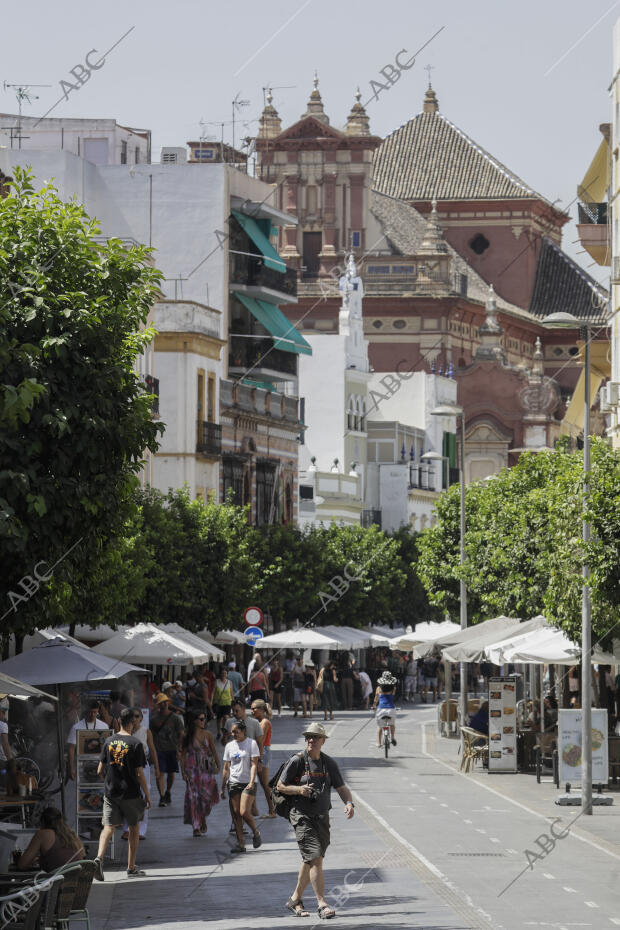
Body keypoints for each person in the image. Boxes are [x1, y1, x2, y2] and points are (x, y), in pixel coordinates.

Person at [277, 722, 354, 920]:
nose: (310, 740)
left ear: (323, 741)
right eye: (308, 737)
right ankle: (322, 903)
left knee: (310, 859)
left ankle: (295, 899)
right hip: (301, 815)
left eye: (315, 737)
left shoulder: (329, 763)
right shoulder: (297, 761)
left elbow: (341, 787)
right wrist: (298, 790)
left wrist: (349, 803)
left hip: (322, 817)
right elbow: (280, 785)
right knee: (316, 858)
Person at [95, 707, 152, 880]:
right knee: (134, 828)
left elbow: (99, 770)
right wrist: (147, 795)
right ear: (132, 723)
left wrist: (110, 780)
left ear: (119, 721)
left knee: (108, 827)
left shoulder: (109, 741)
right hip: (131, 793)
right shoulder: (135, 744)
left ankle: (98, 858)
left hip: (111, 792)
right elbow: (140, 773)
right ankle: (131, 867)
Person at [221, 719, 261, 853]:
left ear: (243, 731)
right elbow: (226, 767)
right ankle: (240, 843)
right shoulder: (229, 746)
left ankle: (255, 832)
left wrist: (251, 781)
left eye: (236, 732)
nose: (234, 734)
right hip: (233, 782)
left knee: (244, 812)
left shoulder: (252, 744)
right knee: (236, 814)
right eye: (232, 732)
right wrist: (222, 786)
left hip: (248, 782)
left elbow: (254, 764)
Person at [180, 711, 220, 837]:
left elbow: (213, 751)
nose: (204, 721)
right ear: (194, 720)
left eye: (205, 719)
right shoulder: (186, 735)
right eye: (201, 719)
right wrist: (183, 772)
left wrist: (219, 766)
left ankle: (202, 818)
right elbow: (182, 755)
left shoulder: (208, 734)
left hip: (206, 771)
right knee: (193, 799)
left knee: (206, 798)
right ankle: (196, 826)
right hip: (192, 770)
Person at [122, 709, 159, 841]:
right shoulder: (125, 732)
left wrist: (157, 768)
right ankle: (127, 828)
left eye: (137, 716)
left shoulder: (145, 731)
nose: (134, 719)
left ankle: (141, 829)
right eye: (132, 716)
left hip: (143, 766)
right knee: (128, 796)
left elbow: (152, 748)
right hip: (127, 767)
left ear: (141, 718)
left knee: (144, 795)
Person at [17, 807, 84, 871]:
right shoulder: (72, 835)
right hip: (78, 879)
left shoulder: (43, 833)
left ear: (43, 821)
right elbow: (63, 857)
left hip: (59, 880)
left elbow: (22, 865)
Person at [149, 693, 184, 807]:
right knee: (159, 774)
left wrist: (179, 749)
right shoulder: (154, 720)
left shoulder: (175, 718)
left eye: (165, 701)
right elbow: (151, 736)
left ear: (168, 703)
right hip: (159, 750)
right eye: (161, 702)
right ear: (158, 705)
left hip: (172, 749)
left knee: (171, 773)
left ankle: (168, 791)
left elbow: (181, 734)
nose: (164, 704)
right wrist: (151, 751)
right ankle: (162, 796)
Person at [66, 700, 109, 781]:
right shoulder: (76, 727)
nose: (92, 714)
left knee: (99, 791)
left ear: (98, 711)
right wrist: (71, 768)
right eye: (90, 712)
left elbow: (107, 747)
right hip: (82, 765)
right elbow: (71, 748)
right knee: (82, 790)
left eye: (94, 712)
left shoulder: (104, 726)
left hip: (100, 764)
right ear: (86, 711)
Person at [250, 699, 276, 818]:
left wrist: (259, 758)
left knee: (265, 783)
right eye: (251, 708)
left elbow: (260, 740)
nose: (252, 711)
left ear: (261, 709)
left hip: (263, 752)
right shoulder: (257, 721)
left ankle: (272, 810)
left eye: (254, 708)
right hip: (258, 751)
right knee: (254, 780)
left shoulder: (264, 722)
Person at [372, 672, 397, 747]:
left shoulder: (378, 688)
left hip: (381, 710)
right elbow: (392, 697)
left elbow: (376, 699)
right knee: (392, 724)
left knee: (380, 727)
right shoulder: (393, 688)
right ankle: (392, 737)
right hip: (391, 710)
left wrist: (374, 705)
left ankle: (379, 743)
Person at [212, 666, 234, 742]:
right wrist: (211, 702)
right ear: (220, 674)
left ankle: (227, 732)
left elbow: (231, 693)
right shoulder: (216, 681)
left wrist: (233, 703)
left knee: (226, 717)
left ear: (227, 674)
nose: (223, 675)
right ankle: (219, 732)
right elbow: (213, 692)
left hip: (227, 703)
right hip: (218, 703)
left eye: (225, 673)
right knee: (219, 719)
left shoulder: (229, 682)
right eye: (222, 673)